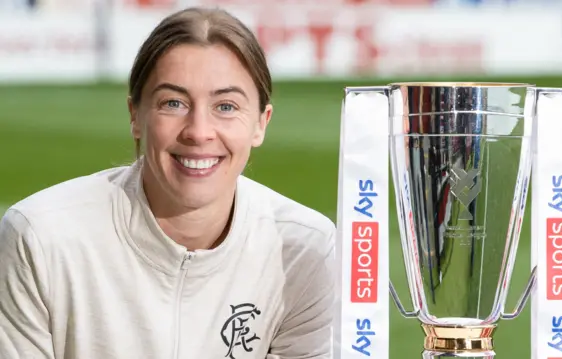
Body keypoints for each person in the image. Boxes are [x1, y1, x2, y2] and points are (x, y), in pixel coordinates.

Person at [0, 7, 336, 359]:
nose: (199, 132)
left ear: (260, 124)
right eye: (173, 103)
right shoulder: (41, 238)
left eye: (226, 106)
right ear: (136, 116)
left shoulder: (305, 251)